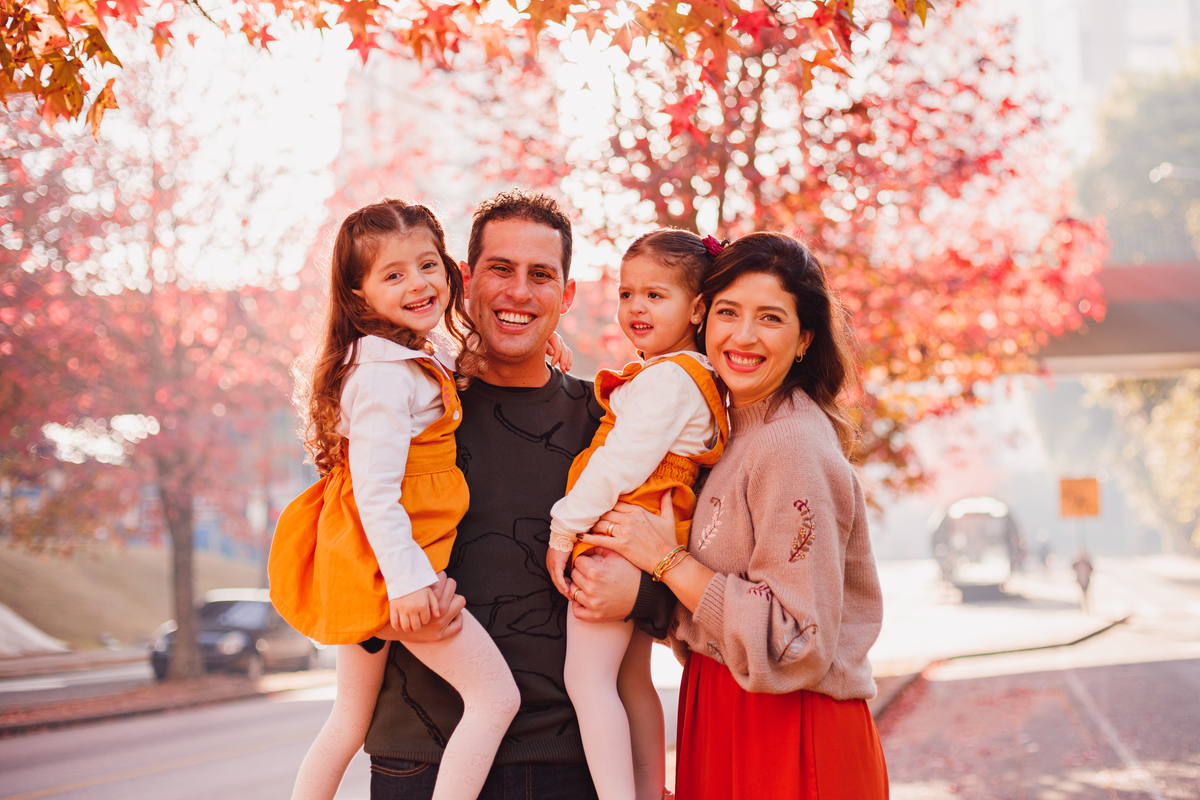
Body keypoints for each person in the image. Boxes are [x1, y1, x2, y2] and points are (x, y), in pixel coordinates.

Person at [363, 190, 676, 800]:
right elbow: (344, 547)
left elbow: (672, 574)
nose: (519, 292)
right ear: (464, 279)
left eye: (541, 275)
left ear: (566, 295)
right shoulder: (407, 411)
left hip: (573, 761)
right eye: (500, 269)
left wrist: (640, 591)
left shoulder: (615, 425)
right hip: (422, 757)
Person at [582, 232, 889, 798]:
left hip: (790, 733)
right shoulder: (725, 430)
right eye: (728, 311)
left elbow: (798, 641)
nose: (743, 336)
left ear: (804, 340)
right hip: (722, 710)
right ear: (702, 318)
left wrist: (668, 561)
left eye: (770, 318)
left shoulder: (791, 442)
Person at [268, 199, 524, 800]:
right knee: (494, 698)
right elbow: (377, 492)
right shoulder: (383, 375)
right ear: (359, 298)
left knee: (348, 721)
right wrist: (410, 584)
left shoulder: (405, 356)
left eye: (428, 265)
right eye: (393, 274)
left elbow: (449, 380)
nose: (418, 283)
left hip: (369, 564)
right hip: (395, 573)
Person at [545, 230, 727, 800]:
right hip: (648, 525)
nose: (636, 308)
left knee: (586, 677)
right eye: (627, 294)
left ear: (697, 308)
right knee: (629, 678)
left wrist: (563, 527)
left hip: (621, 526)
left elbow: (619, 464)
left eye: (656, 295)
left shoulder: (670, 380)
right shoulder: (678, 374)